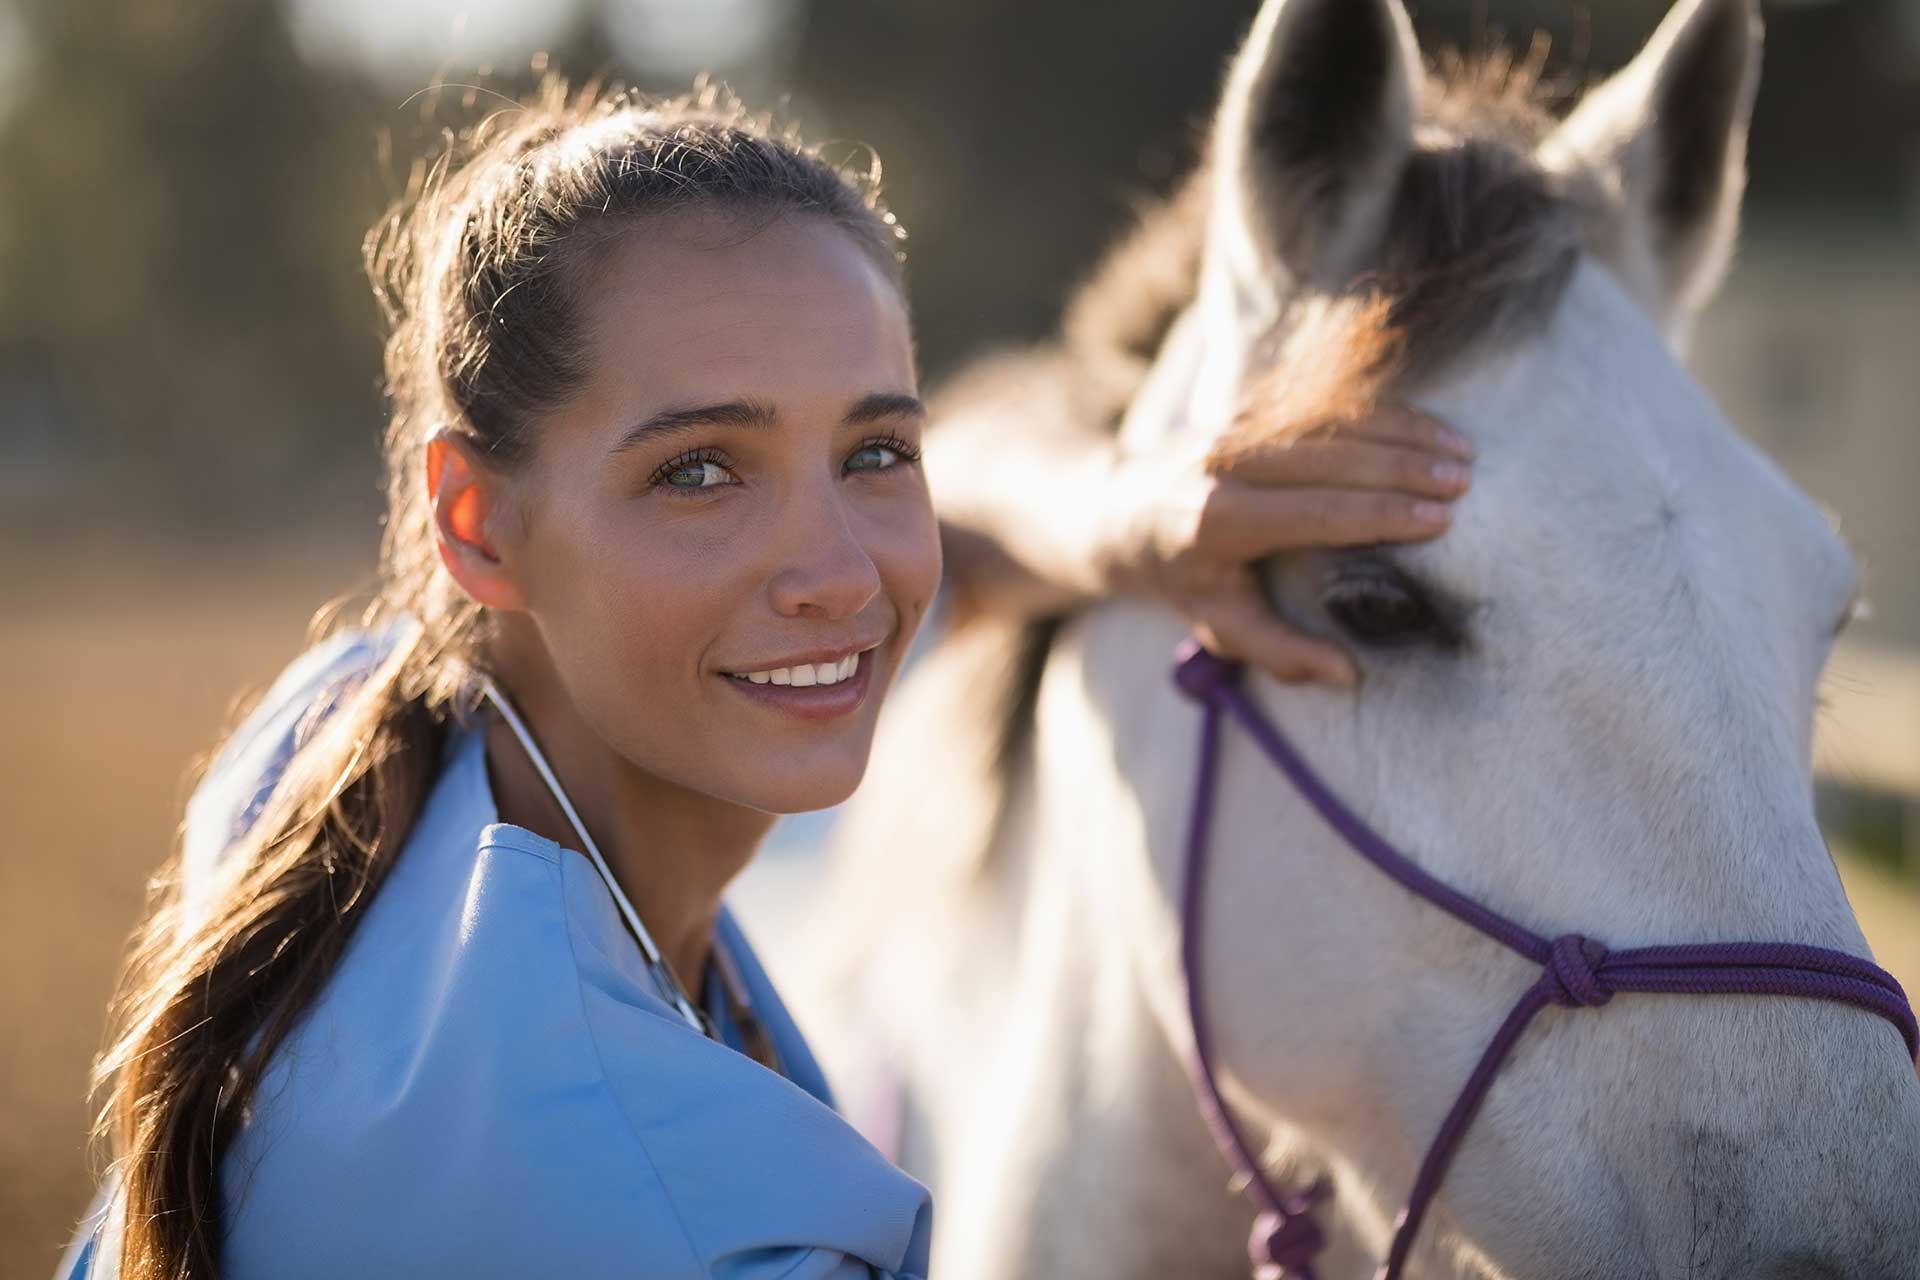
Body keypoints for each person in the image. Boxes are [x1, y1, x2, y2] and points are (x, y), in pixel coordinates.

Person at [60, 77, 1472, 1280]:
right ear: (476, 522)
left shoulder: (335, 740)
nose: (841, 577)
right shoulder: (732, 1236)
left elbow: (949, 539)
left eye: (873, 452)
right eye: (700, 471)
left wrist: (1126, 519)